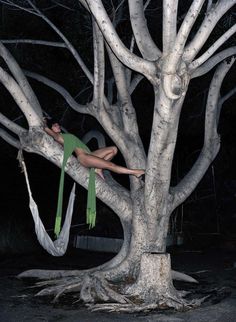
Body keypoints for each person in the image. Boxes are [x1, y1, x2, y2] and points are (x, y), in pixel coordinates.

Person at [44, 122, 145, 179]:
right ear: (52, 129)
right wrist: (45, 125)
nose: (57, 126)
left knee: (113, 149)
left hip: (89, 154)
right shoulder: (58, 137)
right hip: (83, 158)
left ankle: (98, 169)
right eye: (54, 125)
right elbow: (49, 131)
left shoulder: (64, 135)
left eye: (58, 125)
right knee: (110, 165)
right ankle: (135, 172)